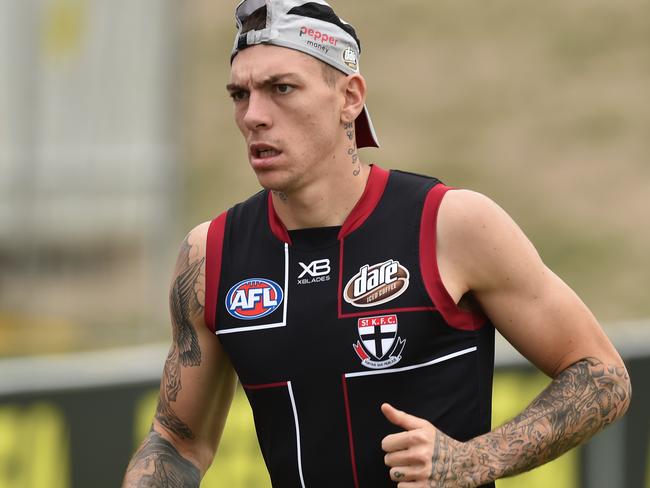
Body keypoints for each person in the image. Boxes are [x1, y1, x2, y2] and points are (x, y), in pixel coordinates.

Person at [122, 0, 631, 486]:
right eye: (240, 94)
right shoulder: (210, 255)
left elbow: (602, 375)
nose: (254, 115)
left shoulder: (450, 224)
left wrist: (472, 460)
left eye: (281, 88)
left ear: (350, 97)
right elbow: (178, 442)